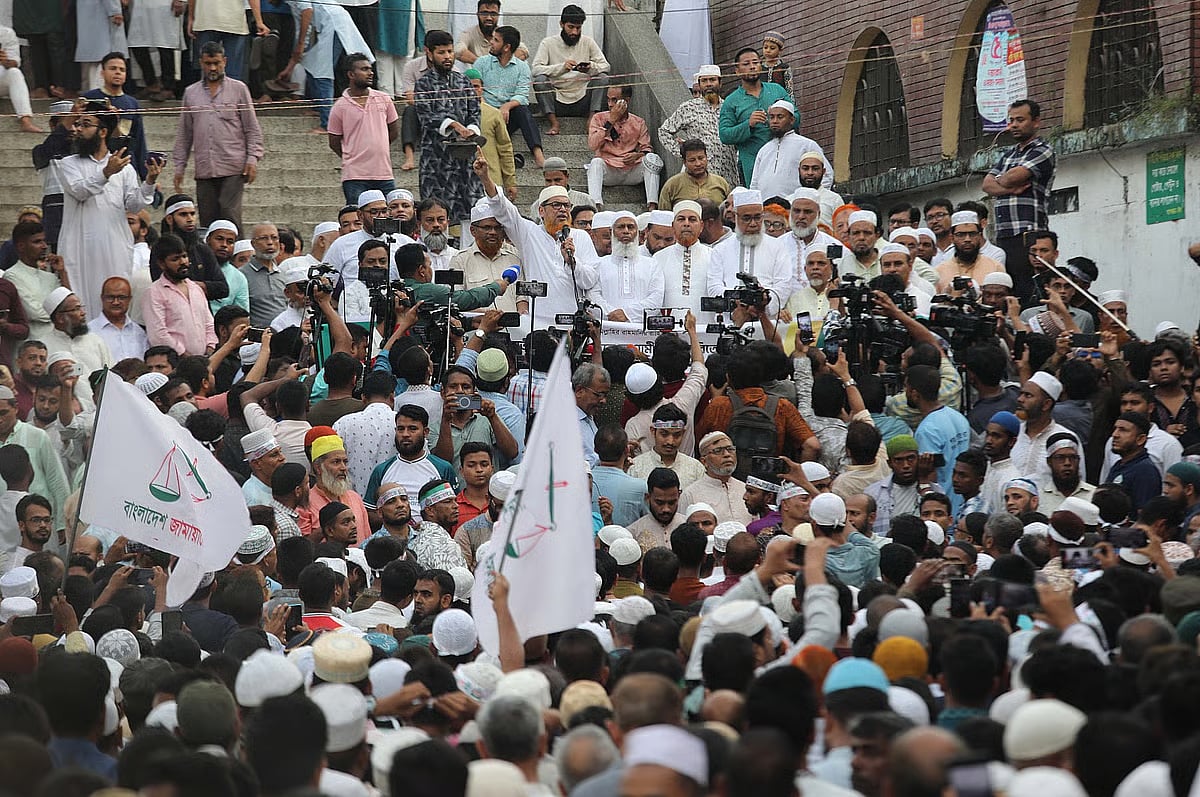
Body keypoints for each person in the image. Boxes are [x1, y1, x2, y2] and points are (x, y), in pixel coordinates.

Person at [473, 150, 601, 325]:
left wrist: (573, 262)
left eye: (566, 205)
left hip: (573, 322)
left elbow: (590, 280)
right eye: (556, 205)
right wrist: (486, 178)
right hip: (538, 324)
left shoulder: (581, 237)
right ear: (541, 210)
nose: (563, 209)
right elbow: (503, 209)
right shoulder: (529, 234)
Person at [58, 101, 161, 318]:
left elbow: (134, 204)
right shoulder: (68, 164)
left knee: (114, 297)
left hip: (114, 246)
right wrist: (105, 173)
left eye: (85, 124)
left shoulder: (123, 167)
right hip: (79, 247)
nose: (78, 129)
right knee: (81, 302)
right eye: (77, 124)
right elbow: (79, 191)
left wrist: (150, 181)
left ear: (103, 131)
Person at [173, 41, 265, 230]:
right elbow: (185, 132)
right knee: (207, 221)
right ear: (201, 63)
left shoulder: (239, 89)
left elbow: (251, 127)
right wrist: (179, 167)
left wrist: (253, 159)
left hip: (233, 165)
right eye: (208, 63)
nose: (213, 68)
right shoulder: (191, 93)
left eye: (216, 63)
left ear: (225, 61)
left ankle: (237, 257)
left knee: (229, 214)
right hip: (204, 168)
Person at [982, 99, 1056, 299]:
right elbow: (986, 184)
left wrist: (1004, 180)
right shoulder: (1008, 155)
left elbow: (1013, 177)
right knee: (1009, 289)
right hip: (1004, 234)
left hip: (1029, 234)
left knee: (1029, 290)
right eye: (1011, 120)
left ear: (1036, 122)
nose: (1013, 125)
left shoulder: (1043, 150)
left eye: (1020, 120)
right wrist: (1008, 188)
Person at [414, 30, 484, 228]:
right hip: (436, 162)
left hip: (466, 158)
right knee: (435, 215)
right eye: (442, 52)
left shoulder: (463, 82)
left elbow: (474, 112)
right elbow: (427, 117)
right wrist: (454, 125)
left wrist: (470, 129)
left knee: (471, 215)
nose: (447, 57)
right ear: (429, 53)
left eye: (450, 52)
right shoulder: (423, 84)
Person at [706, 189, 794, 316]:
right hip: (730, 318)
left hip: (766, 320)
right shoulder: (721, 249)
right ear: (735, 217)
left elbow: (783, 285)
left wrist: (761, 306)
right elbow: (714, 286)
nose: (753, 224)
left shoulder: (778, 247)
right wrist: (737, 305)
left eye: (757, 218)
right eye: (746, 218)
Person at [328, 53, 400, 204]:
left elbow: (393, 130)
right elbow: (334, 141)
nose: (370, 72)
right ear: (351, 74)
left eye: (370, 68)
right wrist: (352, 156)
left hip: (384, 174)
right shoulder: (339, 106)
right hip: (355, 177)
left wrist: (378, 148)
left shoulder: (384, 99)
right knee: (356, 217)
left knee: (389, 219)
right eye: (365, 69)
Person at [531, 5, 610, 136]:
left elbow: (606, 66)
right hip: (557, 100)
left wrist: (590, 68)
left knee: (603, 78)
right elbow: (535, 70)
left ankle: (592, 119)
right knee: (540, 80)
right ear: (561, 24)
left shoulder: (588, 42)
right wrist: (562, 68)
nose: (574, 32)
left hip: (583, 99)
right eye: (571, 27)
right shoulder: (548, 43)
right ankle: (554, 122)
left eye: (578, 28)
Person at [475, 24, 544, 168]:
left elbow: (522, 95)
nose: (491, 43)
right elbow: (473, 89)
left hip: (506, 117)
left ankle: (538, 154)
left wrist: (507, 106)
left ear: (506, 47)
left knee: (523, 110)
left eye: (496, 40)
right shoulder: (481, 63)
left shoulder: (522, 67)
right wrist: (488, 109)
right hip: (485, 113)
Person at [658, 64, 739, 188]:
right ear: (699, 85)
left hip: (728, 173)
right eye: (704, 81)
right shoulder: (688, 107)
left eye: (712, 80)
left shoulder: (730, 106)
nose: (708, 84)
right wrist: (684, 153)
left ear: (720, 83)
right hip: (700, 176)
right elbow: (664, 131)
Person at [719, 47, 790, 185]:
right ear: (737, 71)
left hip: (783, 157)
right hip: (752, 161)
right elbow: (725, 135)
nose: (752, 67)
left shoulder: (776, 90)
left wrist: (781, 116)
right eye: (746, 64)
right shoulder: (731, 101)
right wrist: (748, 124)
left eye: (755, 63)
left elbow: (796, 116)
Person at [585, 85, 663, 211]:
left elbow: (647, 148)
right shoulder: (599, 118)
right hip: (609, 169)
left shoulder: (638, 122)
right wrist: (610, 121)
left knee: (652, 159)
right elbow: (592, 145)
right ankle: (596, 206)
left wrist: (637, 155)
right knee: (595, 163)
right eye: (608, 100)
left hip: (631, 169)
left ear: (626, 101)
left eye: (614, 100)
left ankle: (652, 206)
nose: (610, 104)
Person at [907, 365, 971, 512]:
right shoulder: (958, 417)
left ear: (915, 393)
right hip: (962, 504)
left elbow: (930, 475)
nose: (905, 393)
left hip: (944, 508)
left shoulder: (927, 430)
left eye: (906, 388)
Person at [141, 235, 218, 356]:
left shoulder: (196, 289)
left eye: (184, 256)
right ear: (162, 264)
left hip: (204, 360)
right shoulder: (154, 293)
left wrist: (210, 347)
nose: (183, 262)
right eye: (175, 259)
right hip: (174, 365)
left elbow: (209, 323)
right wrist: (183, 354)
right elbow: (158, 334)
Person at [81, 53, 148, 179]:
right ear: (102, 72)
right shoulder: (89, 98)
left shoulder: (132, 103)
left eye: (122, 70)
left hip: (124, 164)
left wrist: (146, 176)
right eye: (113, 68)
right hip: (93, 163)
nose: (118, 72)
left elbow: (139, 140)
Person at [155, 195, 230, 302]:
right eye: (183, 214)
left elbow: (223, 288)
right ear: (170, 219)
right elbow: (161, 286)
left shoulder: (202, 249)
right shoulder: (160, 249)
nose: (190, 219)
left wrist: (192, 287)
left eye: (192, 214)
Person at [748, 101, 830, 199]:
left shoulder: (806, 145)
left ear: (791, 120)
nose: (774, 121)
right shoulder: (764, 150)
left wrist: (812, 200)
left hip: (796, 208)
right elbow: (754, 184)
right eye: (772, 117)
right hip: (766, 209)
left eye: (780, 117)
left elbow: (826, 175)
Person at [449, 205, 521, 312]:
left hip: (515, 327)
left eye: (497, 228)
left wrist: (522, 315)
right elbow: (456, 302)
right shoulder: (460, 261)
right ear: (473, 231)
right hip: (477, 326)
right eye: (487, 227)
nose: (493, 232)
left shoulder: (514, 258)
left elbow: (522, 297)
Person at [595, 212, 665, 322]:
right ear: (611, 232)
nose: (626, 231)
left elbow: (656, 298)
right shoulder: (599, 264)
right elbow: (593, 295)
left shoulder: (652, 264)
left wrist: (627, 314)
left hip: (641, 329)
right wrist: (610, 314)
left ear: (637, 232)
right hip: (608, 328)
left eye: (631, 227)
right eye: (621, 227)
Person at [654, 202, 712, 318]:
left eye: (692, 220)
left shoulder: (713, 256)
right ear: (673, 226)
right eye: (681, 219)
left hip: (705, 329)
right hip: (669, 331)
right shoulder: (658, 258)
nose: (686, 224)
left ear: (701, 226)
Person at [934, 210, 1006, 293]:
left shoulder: (995, 267)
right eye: (961, 235)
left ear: (979, 236)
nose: (967, 239)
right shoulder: (939, 272)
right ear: (952, 238)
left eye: (972, 234)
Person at [658, 140, 731, 209]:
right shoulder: (672, 186)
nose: (698, 164)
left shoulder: (721, 183)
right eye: (692, 160)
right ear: (684, 162)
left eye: (701, 158)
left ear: (706, 158)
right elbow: (664, 217)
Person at [0, 24, 42, 133]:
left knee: (15, 73)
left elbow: (14, 62)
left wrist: (4, 61)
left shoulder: (6, 33)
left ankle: (26, 121)